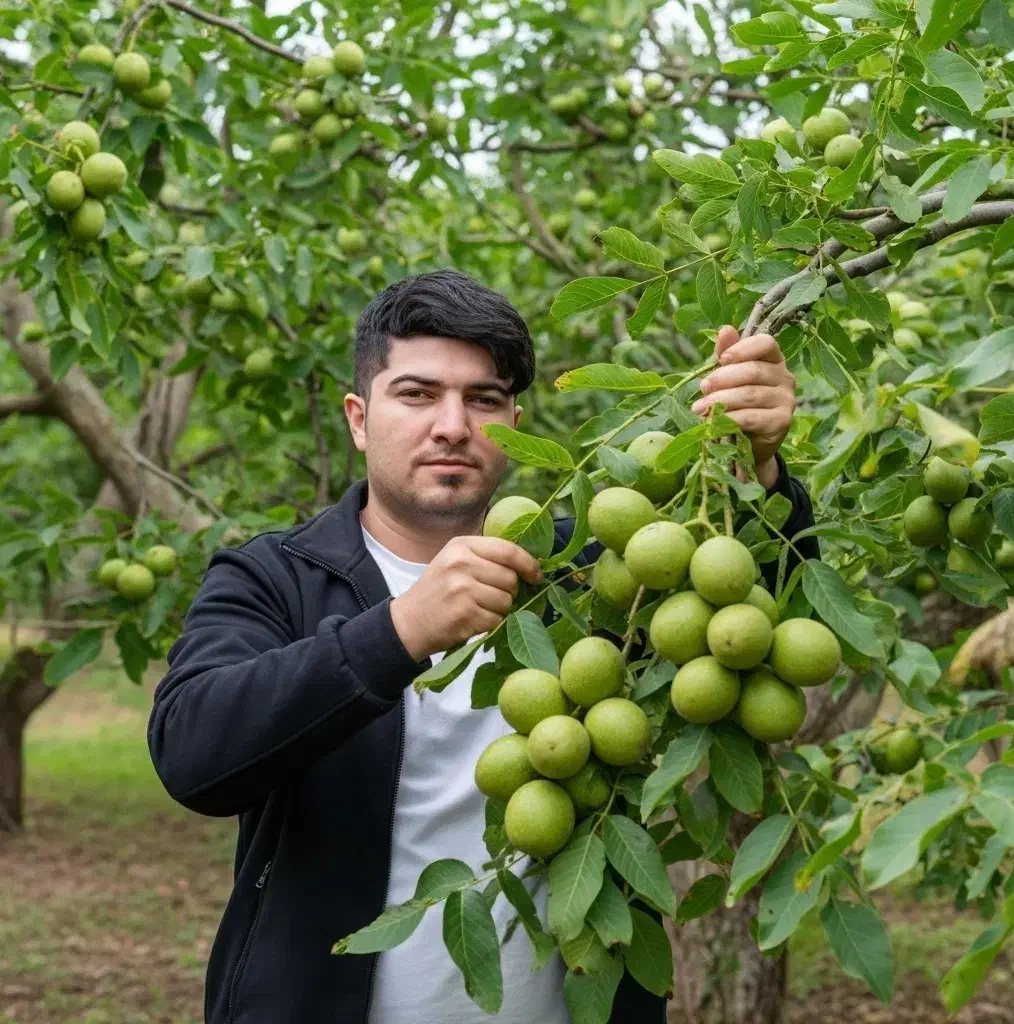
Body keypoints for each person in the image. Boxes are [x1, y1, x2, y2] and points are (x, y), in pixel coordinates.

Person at [148, 269, 816, 1024]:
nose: (452, 425)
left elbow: (745, 617)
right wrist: (398, 632)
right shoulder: (273, 577)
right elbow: (193, 754)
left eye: (483, 399)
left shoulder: (597, 570)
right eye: (418, 394)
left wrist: (757, 468)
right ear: (359, 418)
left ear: (512, 425)